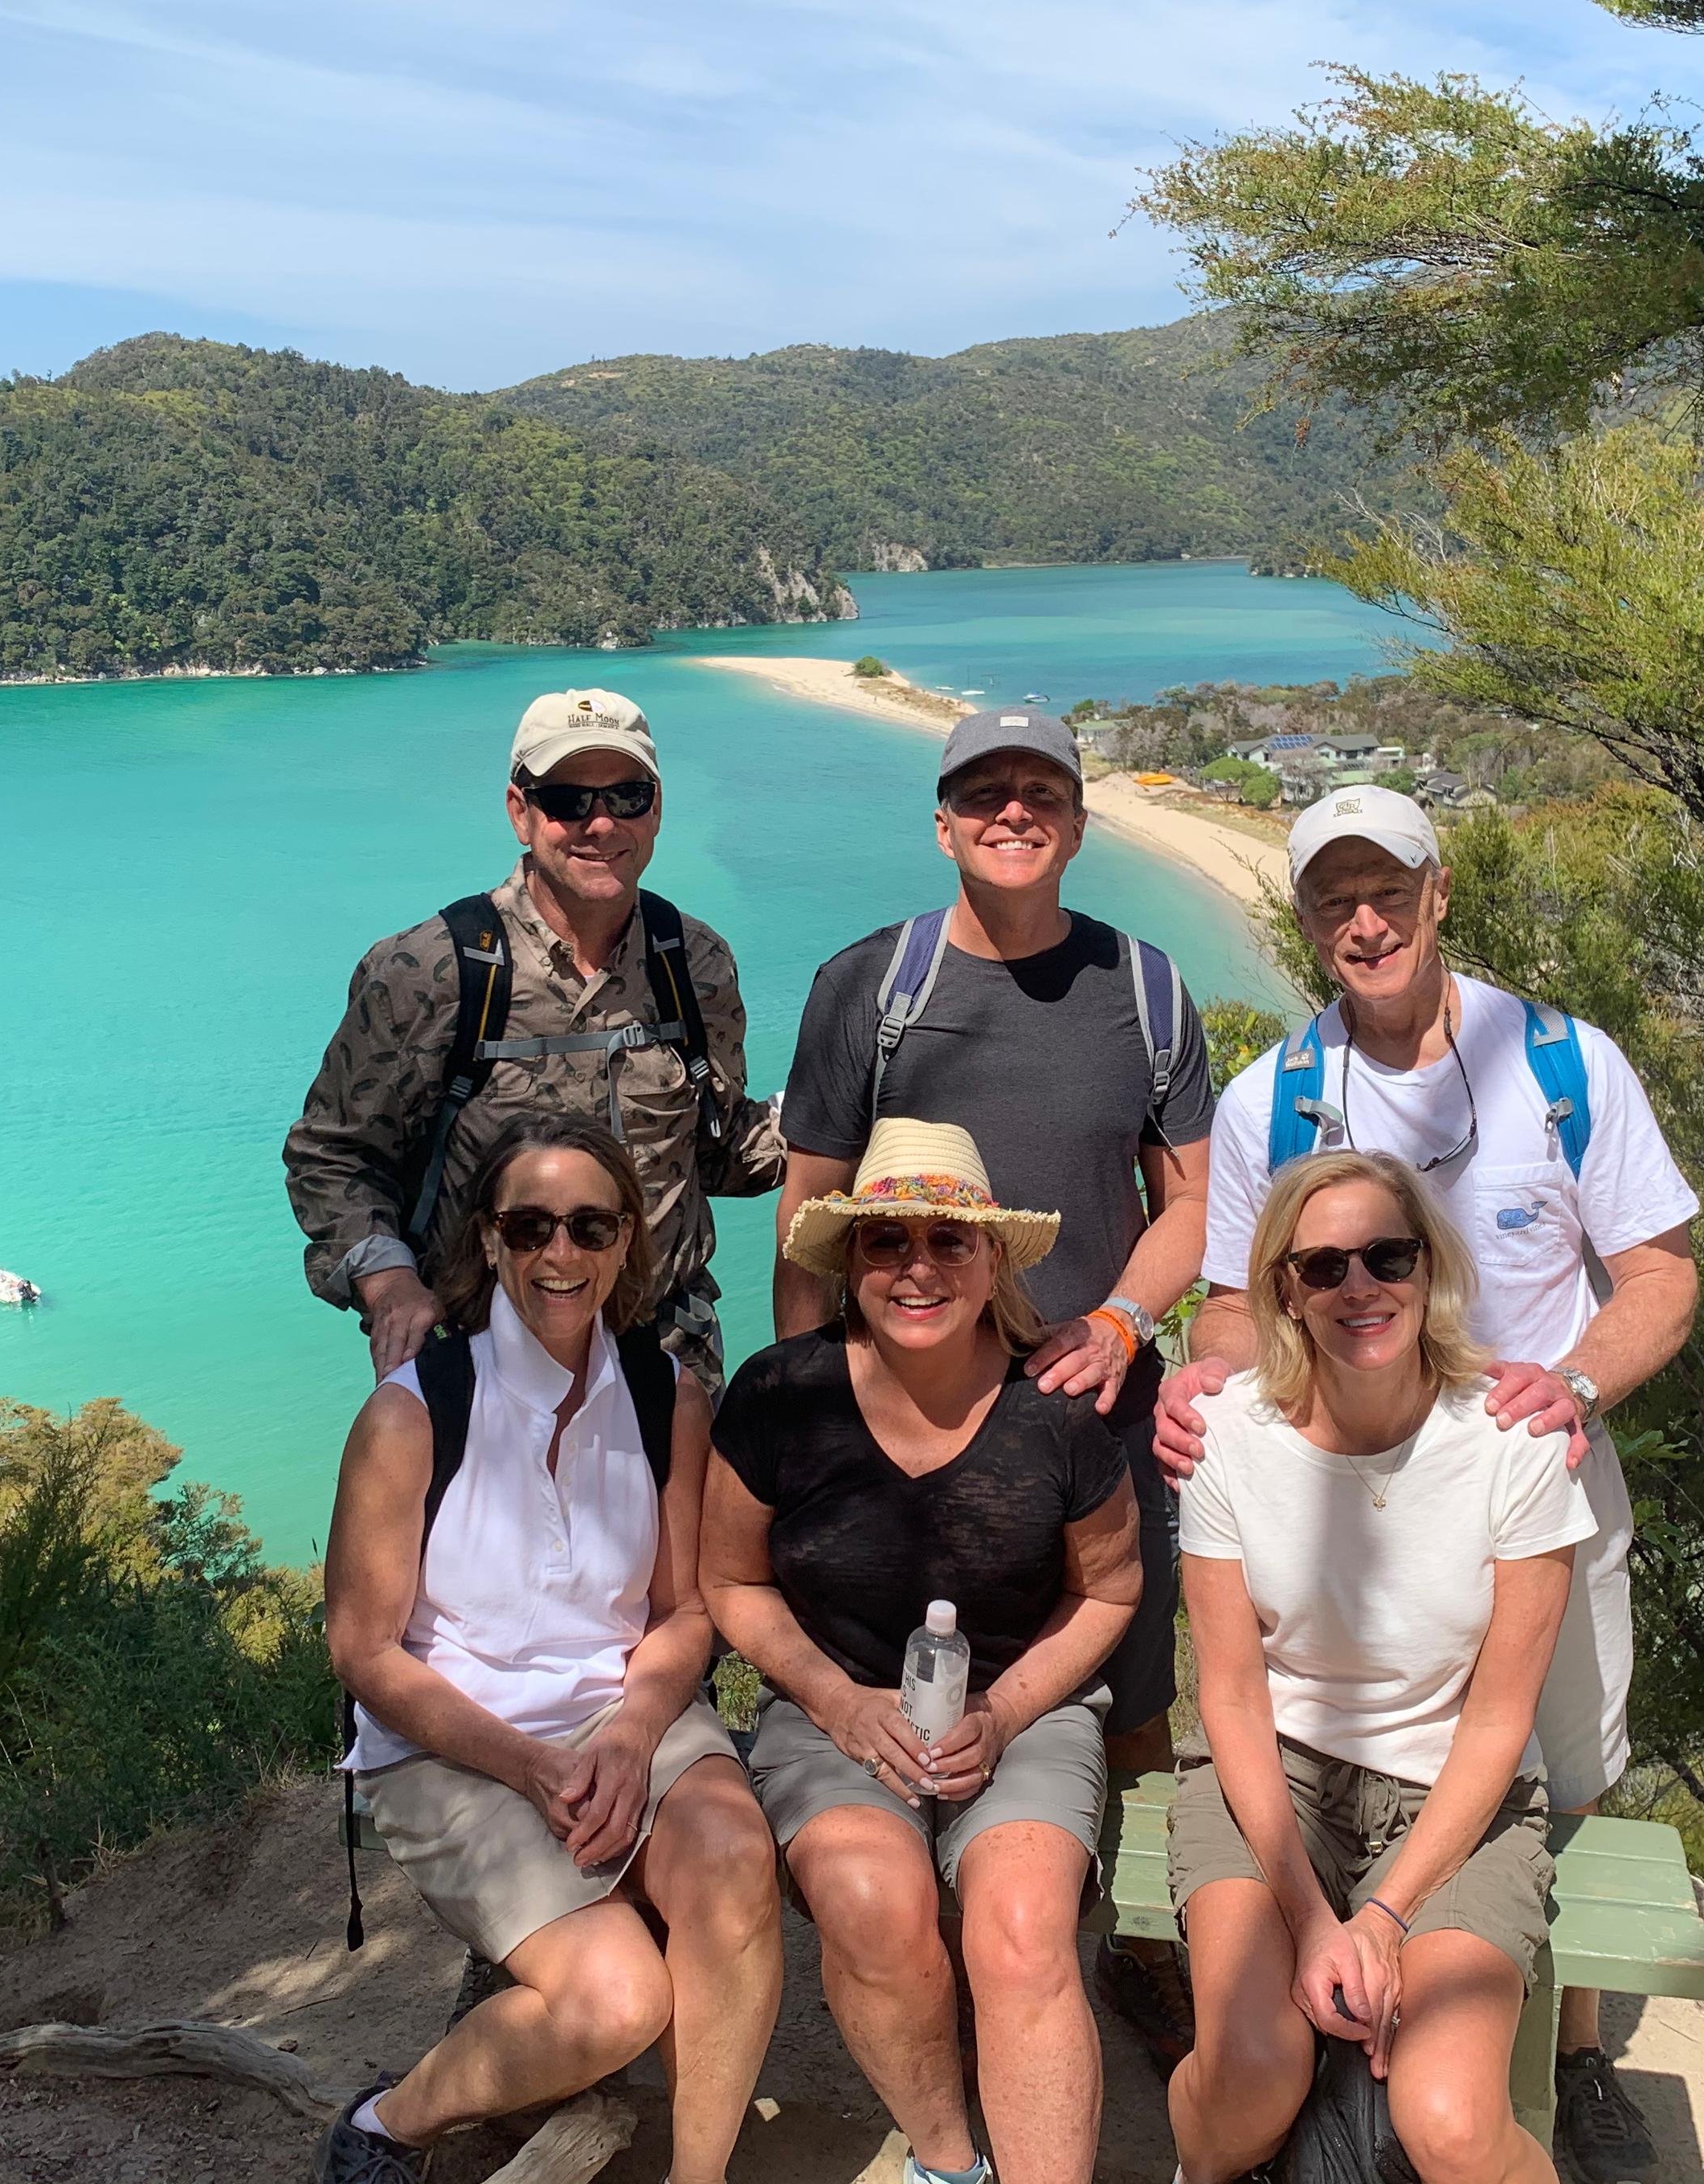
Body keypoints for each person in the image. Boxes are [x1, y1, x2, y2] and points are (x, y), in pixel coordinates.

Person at [1158, 783, 1697, 2182]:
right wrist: (1210, 1383)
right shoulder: (1270, 1095)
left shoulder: (1565, 1065)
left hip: (1535, 1471)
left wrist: (1569, 1387)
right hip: (1332, 1475)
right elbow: (1232, 1302)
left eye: (1386, 887)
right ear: (1308, 920)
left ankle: (1569, 2055)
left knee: (1557, 1771)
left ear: (1438, 891)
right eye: (1334, 896)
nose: (1365, 918)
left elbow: (1661, 1279)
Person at [772, 704, 1211, 2053]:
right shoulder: (873, 985)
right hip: (907, 1412)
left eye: (1040, 794)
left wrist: (1128, 1323)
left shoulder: (1142, 987)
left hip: (1092, 1417)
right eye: (983, 793)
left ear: (1078, 822)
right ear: (946, 821)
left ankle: (1114, 1936)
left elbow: (1191, 1200)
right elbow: (810, 1208)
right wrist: (807, 1409)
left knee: (1122, 1693)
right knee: (912, 1666)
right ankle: (927, 1938)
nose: (1012, 812)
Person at [320, 1116, 782, 2184]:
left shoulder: (670, 1399)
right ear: (489, 1242)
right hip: (451, 1744)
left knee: (734, 1861)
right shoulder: (415, 1413)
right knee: (615, 2001)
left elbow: (683, 1613)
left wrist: (626, 1738)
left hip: (627, 1709)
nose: (558, 1255)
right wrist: (530, 1766)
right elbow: (367, 1653)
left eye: (588, 1226)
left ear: (626, 1246)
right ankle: (392, 2120)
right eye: (529, 1227)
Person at [705, 1119, 1142, 2184]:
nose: (918, 1267)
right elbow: (729, 1581)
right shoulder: (779, 1397)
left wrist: (1007, 1712)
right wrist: (838, 1700)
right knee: (873, 1907)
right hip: (828, 1707)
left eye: (949, 1241)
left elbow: (1110, 1589)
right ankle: (949, 2161)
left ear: (993, 1260)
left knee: (1023, 1931)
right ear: (849, 1263)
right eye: (885, 1241)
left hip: (1021, 1706)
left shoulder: (1058, 1411)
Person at [1170, 1149, 1590, 2184]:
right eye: (1322, 1269)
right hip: (1275, 1781)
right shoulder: (1226, 1441)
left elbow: (1497, 1721)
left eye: (1387, 1256)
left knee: (1447, 2122)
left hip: (1456, 1797)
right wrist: (1315, 1922)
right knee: (1251, 2073)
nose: (1360, 1287)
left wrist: (1383, 1916)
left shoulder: (1514, 1446)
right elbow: (1229, 1690)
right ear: (1286, 1293)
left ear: (1428, 1267)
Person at [287, 686, 785, 1390]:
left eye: (627, 796)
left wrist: (851, 1108)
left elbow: (719, 1147)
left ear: (658, 807)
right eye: (568, 801)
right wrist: (389, 1281)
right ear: (521, 812)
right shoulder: (429, 970)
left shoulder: (693, 963)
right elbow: (333, 1153)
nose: (601, 824)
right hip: (482, 1362)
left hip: (668, 1365)